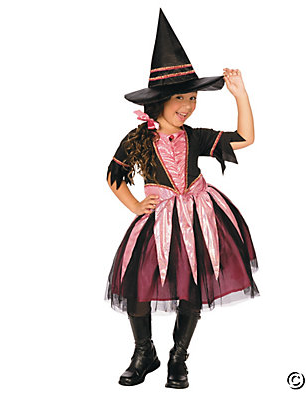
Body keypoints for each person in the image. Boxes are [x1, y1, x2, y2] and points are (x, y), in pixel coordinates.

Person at [104, 9, 260, 389]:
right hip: (157, 221)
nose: (188, 105)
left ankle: (178, 357)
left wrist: (240, 95)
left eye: (192, 97)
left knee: (192, 285)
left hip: (199, 218)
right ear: (159, 100)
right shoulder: (139, 138)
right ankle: (144, 353)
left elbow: (245, 137)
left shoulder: (196, 136)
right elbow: (114, 175)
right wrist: (134, 205)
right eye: (180, 97)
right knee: (138, 283)